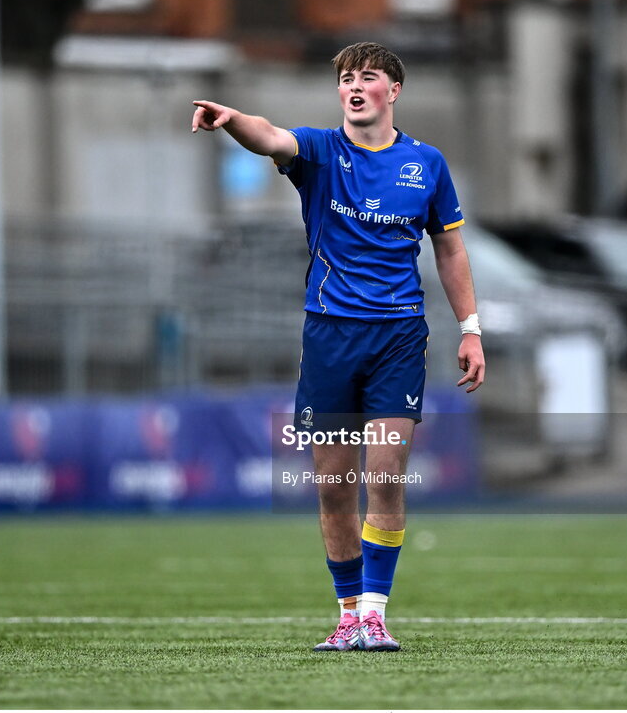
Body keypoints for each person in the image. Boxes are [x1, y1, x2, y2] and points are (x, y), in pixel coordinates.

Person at [192, 42, 484, 652]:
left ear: (393, 90)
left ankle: (375, 614)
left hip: (399, 335)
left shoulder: (426, 164)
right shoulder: (323, 151)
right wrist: (231, 119)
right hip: (328, 335)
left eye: (367, 77)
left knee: (384, 470)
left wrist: (472, 329)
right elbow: (270, 137)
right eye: (346, 79)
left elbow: (450, 251)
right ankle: (348, 613)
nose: (354, 87)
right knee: (330, 484)